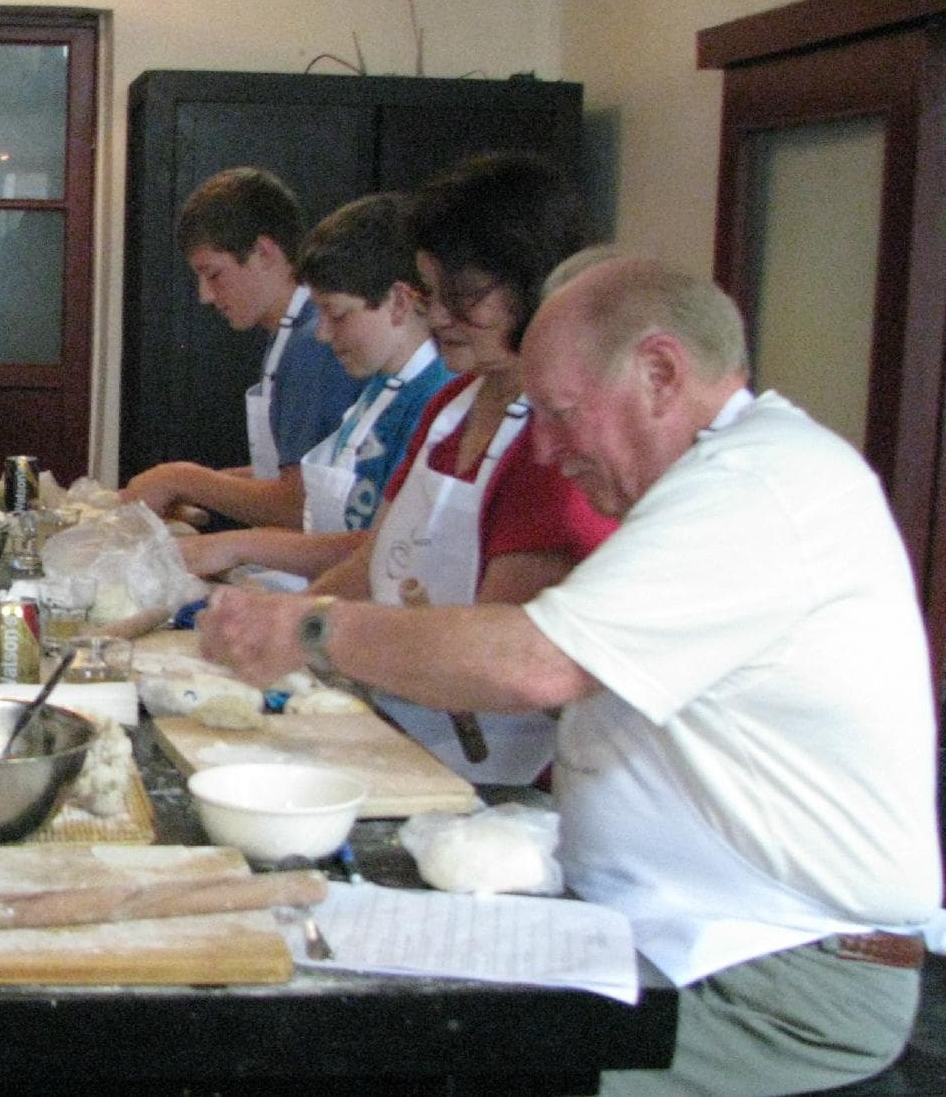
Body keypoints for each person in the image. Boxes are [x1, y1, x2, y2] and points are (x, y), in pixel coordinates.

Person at [199, 250, 942, 1095]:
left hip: (777, 981)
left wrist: (313, 628)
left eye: (557, 414)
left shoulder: (762, 487)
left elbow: (537, 662)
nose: (546, 452)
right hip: (672, 938)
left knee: (399, 1062)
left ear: (660, 372)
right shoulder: (708, 481)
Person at [302, 152, 614, 784]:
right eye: (431, 291)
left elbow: (493, 657)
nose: (439, 315)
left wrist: (310, 635)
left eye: (464, 295)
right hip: (400, 725)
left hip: (497, 772)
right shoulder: (451, 404)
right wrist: (281, 623)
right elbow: (376, 560)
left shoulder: (555, 442)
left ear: (536, 283)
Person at [177, 193, 454, 588]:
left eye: (337, 314)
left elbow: (378, 549)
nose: (322, 333)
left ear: (398, 302)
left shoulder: (433, 401)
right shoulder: (380, 387)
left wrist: (239, 546)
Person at [121, 166, 365, 527]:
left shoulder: (313, 341)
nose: (205, 296)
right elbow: (283, 477)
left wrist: (181, 479)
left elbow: (298, 503)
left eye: (214, 274)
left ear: (265, 252)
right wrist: (179, 488)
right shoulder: (286, 335)